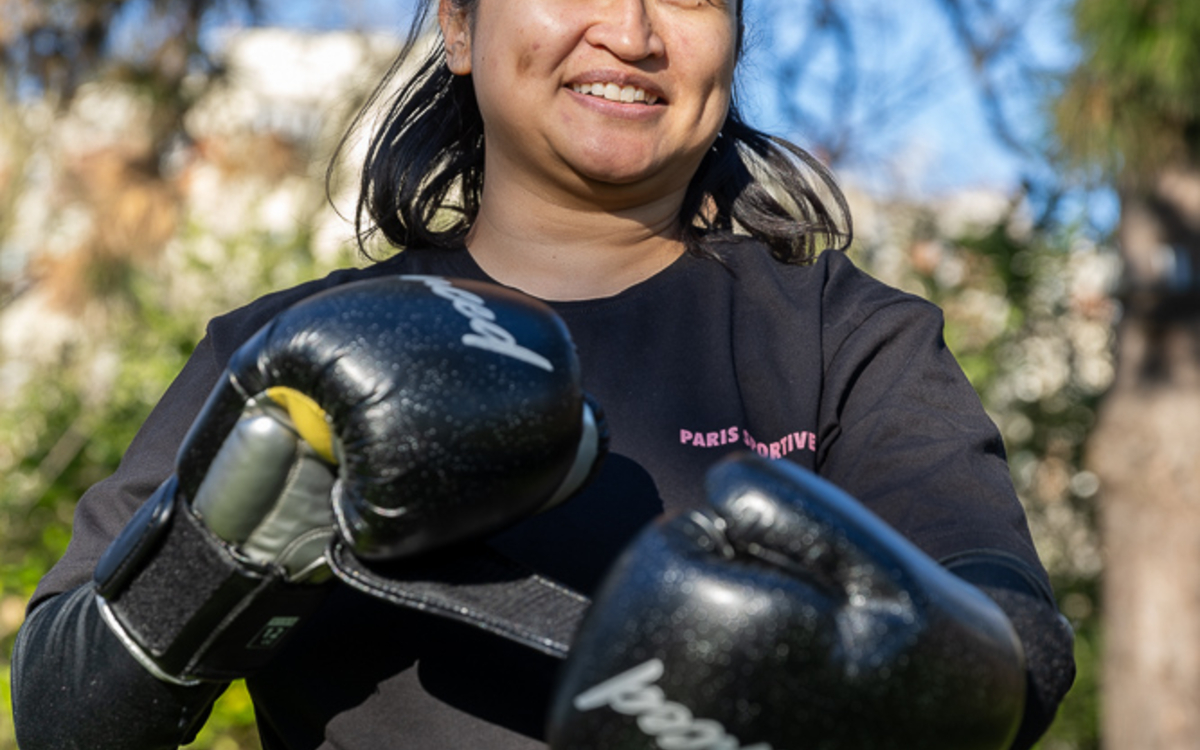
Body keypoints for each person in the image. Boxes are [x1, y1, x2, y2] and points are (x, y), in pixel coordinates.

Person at [10, 0, 1077, 748]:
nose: (634, 32)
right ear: (459, 24)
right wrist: (222, 550)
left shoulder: (849, 340)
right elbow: (63, 713)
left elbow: (1016, 639)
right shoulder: (290, 350)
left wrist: (904, 667)